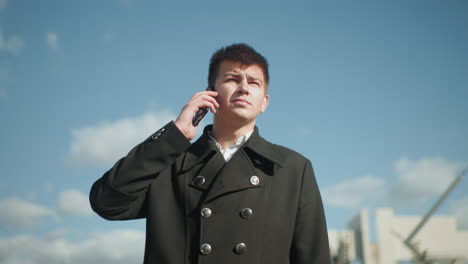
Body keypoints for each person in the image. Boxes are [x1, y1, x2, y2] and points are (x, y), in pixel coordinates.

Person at [90, 43, 330, 264]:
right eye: (233, 79)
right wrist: (175, 134)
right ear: (210, 92)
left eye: (254, 82)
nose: (244, 88)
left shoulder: (292, 169)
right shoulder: (171, 162)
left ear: (264, 102)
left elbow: (313, 257)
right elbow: (107, 202)